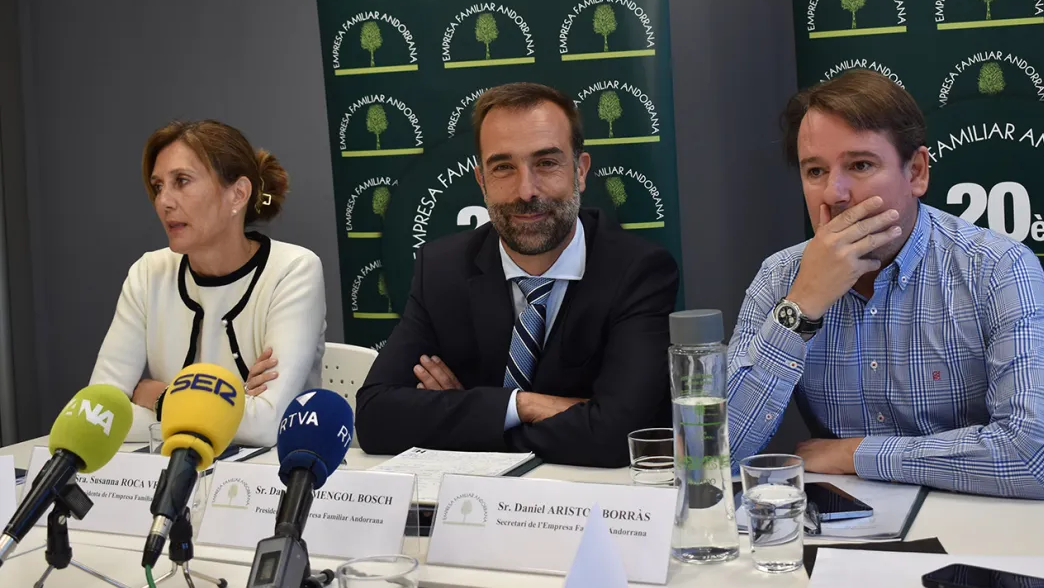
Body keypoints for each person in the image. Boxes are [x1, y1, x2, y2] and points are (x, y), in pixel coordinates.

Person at [726, 70, 1044, 500]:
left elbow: (1035, 458)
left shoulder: (997, 268)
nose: (835, 192)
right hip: (853, 537)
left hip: (990, 525)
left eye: (860, 165)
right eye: (815, 171)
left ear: (917, 173)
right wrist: (803, 304)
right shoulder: (781, 278)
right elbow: (715, 456)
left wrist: (856, 454)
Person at [355, 82, 679, 467]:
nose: (526, 190)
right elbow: (375, 418)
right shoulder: (440, 269)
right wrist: (519, 405)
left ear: (580, 171)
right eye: (504, 167)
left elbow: (619, 435)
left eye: (546, 163)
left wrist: (462, 412)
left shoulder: (638, 272)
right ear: (481, 180)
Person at [90, 121, 326, 446]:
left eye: (182, 181)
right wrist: (232, 408)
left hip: (272, 482)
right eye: (158, 186)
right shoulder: (149, 272)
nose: (164, 202)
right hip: (171, 473)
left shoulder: (293, 270)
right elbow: (99, 415)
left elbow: (267, 426)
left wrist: (159, 398)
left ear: (238, 194)